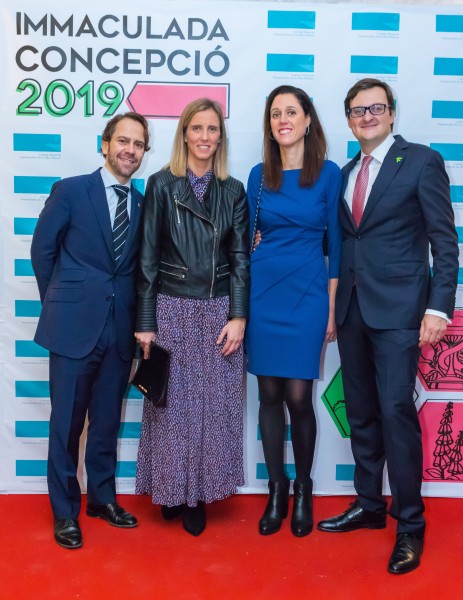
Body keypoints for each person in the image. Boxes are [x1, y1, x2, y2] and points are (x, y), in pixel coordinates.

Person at [317, 78, 459, 574]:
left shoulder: (421, 161)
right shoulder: (346, 172)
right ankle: (369, 505)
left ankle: (410, 524)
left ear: (392, 113)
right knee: (360, 412)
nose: (367, 116)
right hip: (353, 310)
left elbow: (445, 241)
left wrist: (438, 309)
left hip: (400, 312)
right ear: (348, 119)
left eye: (376, 107)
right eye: (358, 110)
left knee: (396, 411)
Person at [31, 112, 150, 549]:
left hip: (119, 331)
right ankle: (65, 511)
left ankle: (101, 499)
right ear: (105, 144)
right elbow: (42, 251)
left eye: (138, 144)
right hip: (72, 329)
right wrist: (63, 304)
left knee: (106, 423)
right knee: (66, 425)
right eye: (123, 141)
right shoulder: (71, 190)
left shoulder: (143, 204)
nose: (130, 150)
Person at [134, 98, 249, 537]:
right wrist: (146, 320)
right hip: (171, 307)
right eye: (197, 128)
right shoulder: (161, 184)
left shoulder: (233, 190)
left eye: (212, 129)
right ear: (184, 134)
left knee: (212, 408)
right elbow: (147, 259)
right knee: (171, 408)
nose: (204, 136)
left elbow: (240, 259)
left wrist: (238, 315)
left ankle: (198, 494)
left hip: (218, 311)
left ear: (220, 137)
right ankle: (171, 488)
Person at [246, 85, 342, 537]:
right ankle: (276, 489)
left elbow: (337, 245)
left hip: (309, 295)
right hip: (263, 293)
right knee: (268, 396)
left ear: (307, 121)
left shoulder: (328, 174)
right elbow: (244, 236)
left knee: (299, 398)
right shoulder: (257, 175)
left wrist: (332, 309)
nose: (282, 119)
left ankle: (304, 488)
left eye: (291, 112)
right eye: (275, 113)